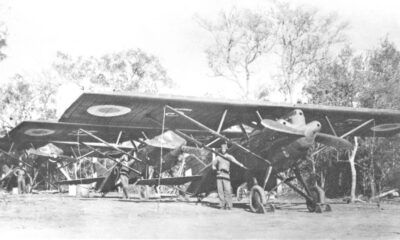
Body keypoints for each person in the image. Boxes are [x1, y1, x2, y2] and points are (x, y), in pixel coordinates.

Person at [212, 143, 237, 210]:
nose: (223, 150)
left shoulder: (229, 156)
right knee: (220, 191)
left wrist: (242, 165)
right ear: (221, 149)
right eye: (222, 148)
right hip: (219, 175)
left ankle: (229, 205)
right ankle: (222, 205)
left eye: (224, 148)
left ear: (226, 149)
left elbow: (235, 161)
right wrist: (215, 169)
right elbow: (213, 165)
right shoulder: (218, 157)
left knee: (228, 190)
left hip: (226, 175)